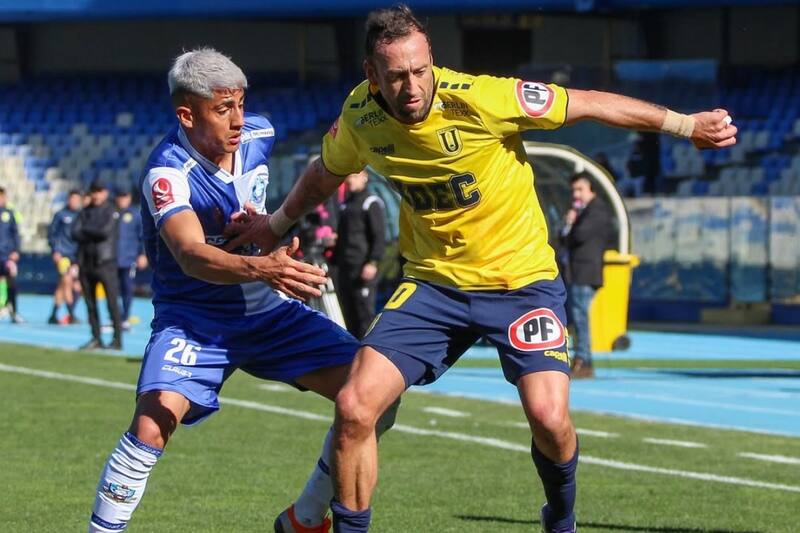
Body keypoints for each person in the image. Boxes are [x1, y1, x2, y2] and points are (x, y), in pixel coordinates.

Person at [224, 6, 736, 532]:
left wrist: (685, 125)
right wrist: (277, 224)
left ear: (432, 63)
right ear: (371, 74)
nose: (411, 86)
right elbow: (325, 172)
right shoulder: (359, 115)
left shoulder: (482, 98)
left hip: (521, 284)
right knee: (356, 407)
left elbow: (587, 103)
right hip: (432, 286)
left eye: (420, 71)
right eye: (396, 75)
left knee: (550, 420)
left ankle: (560, 518)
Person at [87, 48, 398, 533]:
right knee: (152, 424)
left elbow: (313, 171)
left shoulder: (261, 133)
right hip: (195, 320)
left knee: (376, 397)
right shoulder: (167, 174)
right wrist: (263, 269)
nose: (238, 119)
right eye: (222, 108)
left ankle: (305, 518)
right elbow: (190, 253)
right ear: (186, 115)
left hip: (266, 313)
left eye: (241, 104)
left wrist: (268, 225)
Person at [561, 172, 613, 379]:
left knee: (581, 317)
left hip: (586, 271)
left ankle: (583, 360)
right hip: (576, 271)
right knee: (577, 317)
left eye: (580, 189)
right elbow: (563, 238)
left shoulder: (597, 211)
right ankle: (582, 358)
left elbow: (580, 236)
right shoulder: (581, 211)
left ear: (590, 189)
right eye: (574, 190)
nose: (576, 194)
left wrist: (572, 223)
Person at [331, 170, 386, 338]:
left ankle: (368, 351)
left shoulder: (371, 202)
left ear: (364, 177)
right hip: (345, 267)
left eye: (354, 176)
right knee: (348, 312)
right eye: (348, 177)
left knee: (364, 313)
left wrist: (373, 262)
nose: (350, 181)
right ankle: (352, 353)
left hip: (362, 267)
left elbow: (379, 236)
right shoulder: (346, 204)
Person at [72, 180, 123, 350]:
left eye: (99, 191)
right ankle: (96, 337)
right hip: (86, 262)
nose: (96, 195)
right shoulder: (85, 211)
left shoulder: (111, 210)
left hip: (105, 262)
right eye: (93, 191)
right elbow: (75, 233)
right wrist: (90, 230)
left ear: (105, 193)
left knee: (111, 302)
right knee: (90, 303)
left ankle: (117, 339)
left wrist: (86, 230)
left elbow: (104, 232)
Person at [48, 189, 83, 325]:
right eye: (71, 199)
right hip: (63, 255)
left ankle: (53, 314)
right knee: (67, 281)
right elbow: (52, 234)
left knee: (66, 286)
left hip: (76, 256)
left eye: (76, 199)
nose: (73, 202)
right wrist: (55, 250)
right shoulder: (60, 215)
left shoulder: (81, 216)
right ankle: (71, 314)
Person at [114, 186, 147, 330]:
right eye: (120, 196)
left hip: (128, 259)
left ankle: (125, 317)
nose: (122, 200)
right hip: (111, 259)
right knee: (112, 289)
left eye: (125, 196)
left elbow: (143, 236)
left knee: (127, 288)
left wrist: (143, 254)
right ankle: (114, 317)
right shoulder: (110, 213)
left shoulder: (135, 215)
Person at [0, 186, 23, 323]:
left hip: (7, 256)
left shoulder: (10, 214)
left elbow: (15, 234)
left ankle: (13, 311)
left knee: (11, 283)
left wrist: (16, 250)